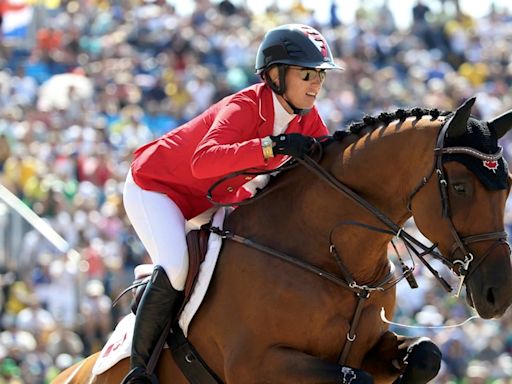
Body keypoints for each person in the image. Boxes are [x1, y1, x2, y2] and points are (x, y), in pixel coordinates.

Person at [121, 23, 343, 383]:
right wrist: (273, 146)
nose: (316, 83)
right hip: (157, 188)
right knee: (177, 265)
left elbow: (328, 172)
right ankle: (138, 371)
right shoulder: (244, 106)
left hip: (214, 197)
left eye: (320, 75)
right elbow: (203, 161)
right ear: (275, 75)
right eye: (307, 74)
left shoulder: (308, 119)